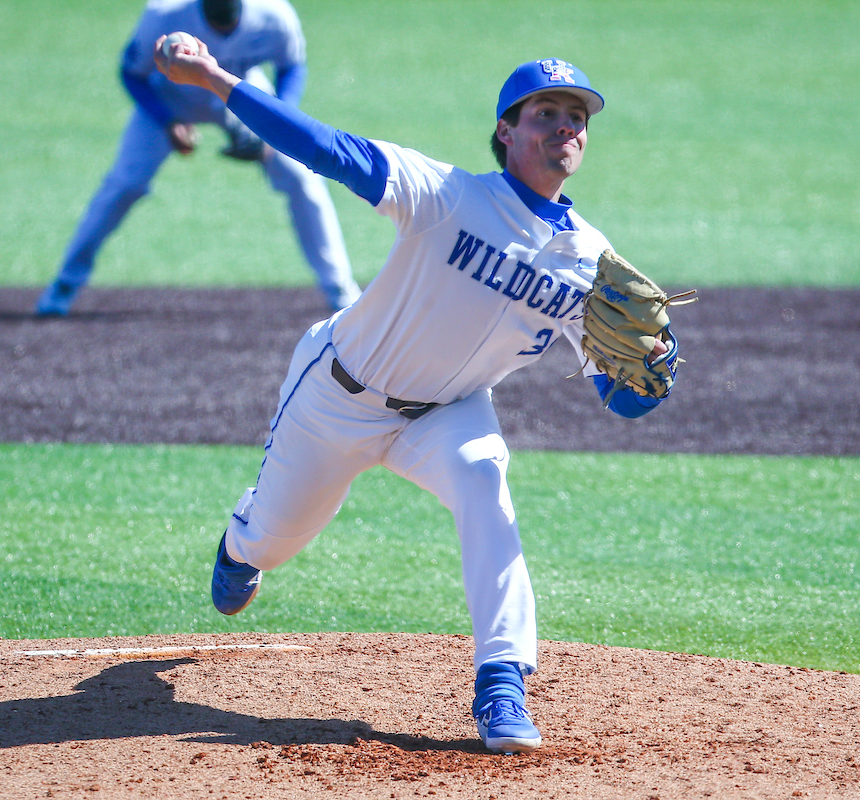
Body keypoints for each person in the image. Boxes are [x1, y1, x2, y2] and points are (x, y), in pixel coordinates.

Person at [156, 39, 683, 753]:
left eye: (576, 117)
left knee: (484, 481)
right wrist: (218, 83)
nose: (565, 127)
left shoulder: (591, 260)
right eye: (545, 113)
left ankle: (502, 689)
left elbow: (618, 401)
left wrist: (655, 371)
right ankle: (241, 541)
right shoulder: (447, 196)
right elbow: (328, 150)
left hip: (450, 413)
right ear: (506, 130)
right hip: (337, 394)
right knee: (274, 543)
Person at [36, 0, 361, 316]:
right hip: (171, 98)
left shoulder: (274, 14)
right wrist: (167, 121)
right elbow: (131, 72)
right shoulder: (163, 14)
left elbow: (292, 65)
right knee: (124, 184)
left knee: (302, 178)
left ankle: (340, 288)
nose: (225, 21)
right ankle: (65, 282)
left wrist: (277, 123)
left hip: (238, 90)